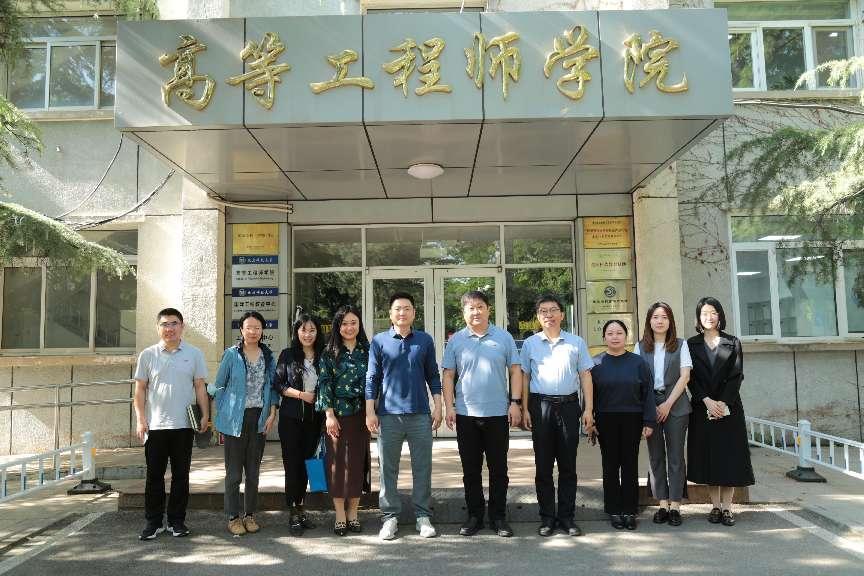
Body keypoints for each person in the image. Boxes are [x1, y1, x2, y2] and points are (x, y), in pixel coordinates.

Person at [443, 290, 522, 538]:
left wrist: (515, 402)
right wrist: (449, 406)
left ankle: (498, 517)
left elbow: (515, 371)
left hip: (498, 413)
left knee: (499, 469)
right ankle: (474, 516)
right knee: (471, 470)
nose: (476, 312)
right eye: (470, 308)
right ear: (463, 312)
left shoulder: (504, 337)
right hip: (466, 414)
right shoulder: (456, 340)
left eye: (480, 306)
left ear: (488, 309)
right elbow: (448, 375)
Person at [365, 291, 443, 541]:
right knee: (388, 469)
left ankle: (423, 516)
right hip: (388, 416)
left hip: (420, 414)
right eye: (397, 309)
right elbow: (372, 378)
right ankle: (390, 517)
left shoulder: (424, 340)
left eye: (407, 308)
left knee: (422, 467)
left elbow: (433, 375)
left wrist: (438, 406)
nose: (402, 313)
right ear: (390, 314)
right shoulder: (379, 341)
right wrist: (370, 411)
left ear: (414, 313)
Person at [520, 294, 593, 537]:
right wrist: (524, 409)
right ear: (538, 316)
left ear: (562, 314)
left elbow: (585, 376)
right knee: (543, 466)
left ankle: (567, 517)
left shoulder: (576, 342)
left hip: (569, 407)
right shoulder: (530, 344)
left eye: (553, 310)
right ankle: (547, 518)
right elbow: (525, 377)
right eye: (543, 311)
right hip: (540, 407)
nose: (548, 315)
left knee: (568, 465)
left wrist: (588, 409)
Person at [133, 307, 209, 540]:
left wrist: (205, 415)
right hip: (155, 426)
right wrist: (141, 419)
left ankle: (177, 521)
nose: (170, 328)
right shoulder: (148, 355)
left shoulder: (194, 354)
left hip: (184, 425)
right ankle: (153, 522)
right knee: (154, 477)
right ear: (158, 328)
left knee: (181, 476)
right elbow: (140, 389)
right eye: (165, 324)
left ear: (182, 326)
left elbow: (200, 387)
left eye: (174, 323)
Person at [208, 311, 279, 536]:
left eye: (257, 327)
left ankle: (249, 515)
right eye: (249, 327)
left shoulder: (268, 356)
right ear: (241, 330)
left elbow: (273, 387)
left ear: (262, 330)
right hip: (235, 420)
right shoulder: (231, 354)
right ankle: (233, 516)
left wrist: (272, 412)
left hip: (259, 418)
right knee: (234, 473)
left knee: (253, 472)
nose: (253, 331)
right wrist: (224, 411)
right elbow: (219, 385)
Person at [687, 297, 755, 526]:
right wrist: (706, 400)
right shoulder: (691, 344)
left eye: (713, 312)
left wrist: (723, 402)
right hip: (702, 407)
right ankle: (715, 506)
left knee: (729, 458)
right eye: (704, 313)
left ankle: (727, 508)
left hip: (729, 408)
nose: (709, 317)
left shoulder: (733, 342)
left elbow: (737, 375)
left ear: (720, 315)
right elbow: (690, 377)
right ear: (699, 317)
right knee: (709, 458)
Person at [592, 319, 655, 531]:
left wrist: (648, 421)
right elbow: (589, 395)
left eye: (619, 332)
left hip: (632, 418)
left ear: (626, 336)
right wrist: (590, 420)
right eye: (610, 333)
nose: (615, 337)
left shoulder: (638, 363)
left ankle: (629, 510)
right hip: (605, 419)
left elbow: (648, 394)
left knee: (629, 464)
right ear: (604, 337)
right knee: (610, 465)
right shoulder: (596, 363)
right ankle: (613, 510)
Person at [634, 302, 692, 526]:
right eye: (656, 317)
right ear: (649, 321)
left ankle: (675, 505)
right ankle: (662, 503)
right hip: (650, 404)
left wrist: (667, 404)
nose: (660, 321)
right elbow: (638, 381)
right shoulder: (640, 347)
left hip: (676, 404)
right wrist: (649, 408)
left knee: (676, 456)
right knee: (655, 455)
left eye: (664, 317)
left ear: (670, 321)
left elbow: (685, 376)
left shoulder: (681, 345)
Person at [316, 305, 371, 536]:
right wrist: (329, 415)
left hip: (362, 415)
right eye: (344, 323)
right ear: (337, 327)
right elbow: (324, 383)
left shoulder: (368, 350)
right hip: (336, 415)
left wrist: (372, 412)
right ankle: (339, 514)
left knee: (357, 463)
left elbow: (375, 382)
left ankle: (353, 513)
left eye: (353, 323)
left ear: (359, 325)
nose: (349, 327)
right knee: (337, 465)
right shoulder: (329, 353)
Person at [274, 313, 325, 536]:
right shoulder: (288, 355)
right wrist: (302, 395)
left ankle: (302, 508)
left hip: (314, 420)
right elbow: (278, 384)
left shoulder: (324, 355)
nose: (307, 334)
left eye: (312, 330)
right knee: (292, 465)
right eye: (303, 330)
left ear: (318, 332)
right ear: (297, 332)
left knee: (307, 464)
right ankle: (293, 511)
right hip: (291, 419)